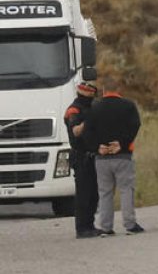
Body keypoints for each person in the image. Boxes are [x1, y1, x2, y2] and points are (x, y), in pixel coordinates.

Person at [76, 77, 143, 236]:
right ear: (118, 90)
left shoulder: (95, 108)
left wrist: (97, 147)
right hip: (123, 156)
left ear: (104, 91)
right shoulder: (128, 106)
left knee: (105, 192)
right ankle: (130, 224)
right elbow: (135, 125)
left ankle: (106, 227)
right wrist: (122, 143)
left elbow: (86, 132)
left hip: (102, 158)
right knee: (126, 190)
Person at [64, 81, 101, 239]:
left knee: (94, 194)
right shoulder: (74, 109)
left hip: (93, 155)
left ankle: (90, 225)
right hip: (81, 156)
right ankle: (82, 228)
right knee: (84, 194)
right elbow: (76, 131)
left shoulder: (90, 108)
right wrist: (89, 121)